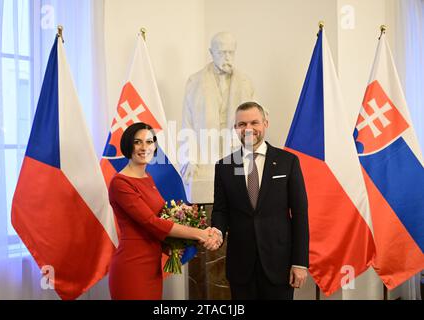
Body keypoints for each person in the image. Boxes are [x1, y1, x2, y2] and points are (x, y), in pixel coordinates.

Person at [108, 122, 222, 300]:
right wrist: (200, 234)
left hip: (152, 267)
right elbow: (152, 222)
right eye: (138, 142)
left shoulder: (148, 177)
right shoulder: (120, 183)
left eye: (149, 142)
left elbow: (160, 218)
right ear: (128, 145)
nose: (144, 147)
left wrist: (176, 245)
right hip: (132, 267)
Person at [211, 102, 309, 300]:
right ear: (235, 128)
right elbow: (221, 210)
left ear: (265, 124)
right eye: (242, 124)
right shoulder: (224, 166)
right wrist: (217, 231)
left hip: (279, 265)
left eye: (254, 122)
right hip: (241, 267)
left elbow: (300, 214)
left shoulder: (287, 161)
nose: (248, 129)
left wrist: (300, 262)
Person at [180, 32, 254, 187]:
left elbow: (254, 121)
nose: (227, 57)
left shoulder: (246, 83)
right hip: (205, 156)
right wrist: (190, 159)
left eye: (230, 52)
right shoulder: (195, 82)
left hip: (235, 153)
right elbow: (188, 126)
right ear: (211, 53)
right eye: (221, 52)